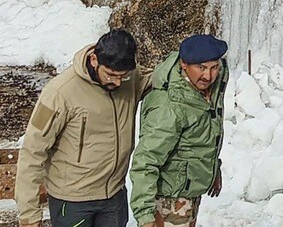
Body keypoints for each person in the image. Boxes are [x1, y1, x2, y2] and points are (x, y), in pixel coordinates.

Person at [16, 29, 150, 227]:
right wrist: (29, 216)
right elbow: (32, 152)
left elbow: (160, 77)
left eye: (123, 76)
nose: (117, 82)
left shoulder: (130, 78)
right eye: (111, 75)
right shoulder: (59, 93)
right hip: (71, 201)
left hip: (114, 197)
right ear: (94, 59)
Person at [129, 34, 229, 227]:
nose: (208, 76)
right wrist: (145, 217)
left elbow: (204, 133)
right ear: (184, 65)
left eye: (213, 67)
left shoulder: (211, 84)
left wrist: (212, 168)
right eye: (201, 68)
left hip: (189, 192)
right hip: (169, 201)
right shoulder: (169, 107)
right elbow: (145, 161)